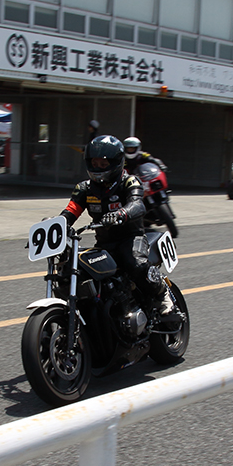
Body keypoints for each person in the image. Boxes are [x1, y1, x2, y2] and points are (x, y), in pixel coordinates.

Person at [60, 134, 180, 327]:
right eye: (94, 163)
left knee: (135, 263)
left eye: (103, 163)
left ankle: (163, 295)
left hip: (131, 238)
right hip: (104, 244)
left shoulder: (129, 182)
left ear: (116, 163)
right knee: (76, 269)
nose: (98, 167)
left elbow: (137, 204)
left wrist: (121, 213)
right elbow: (71, 211)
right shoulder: (84, 188)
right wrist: (57, 224)